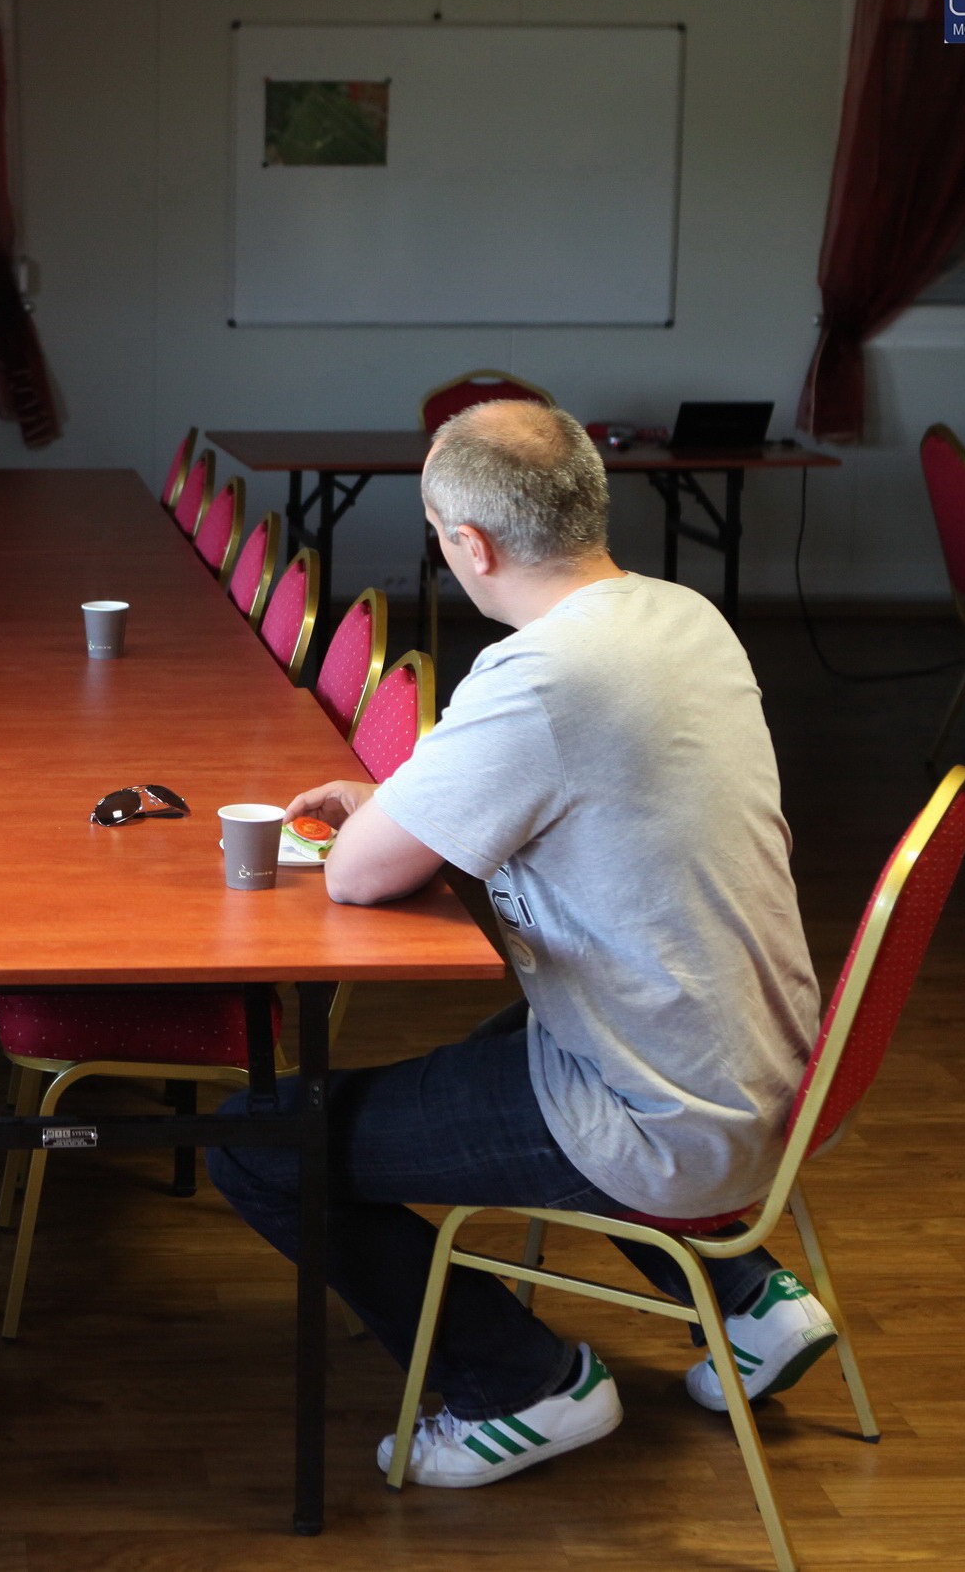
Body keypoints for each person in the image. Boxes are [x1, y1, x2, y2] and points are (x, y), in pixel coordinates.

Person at [209, 402, 833, 1489]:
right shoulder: (682, 615)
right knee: (492, 1053)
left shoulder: (541, 674)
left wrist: (386, 824)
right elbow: (552, 793)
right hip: (759, 1056)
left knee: (258, 1142)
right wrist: (409, 807)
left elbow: (356, 875)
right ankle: (748, 1300)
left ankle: (522, 1384)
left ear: (472, 544)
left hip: (660, 1112)